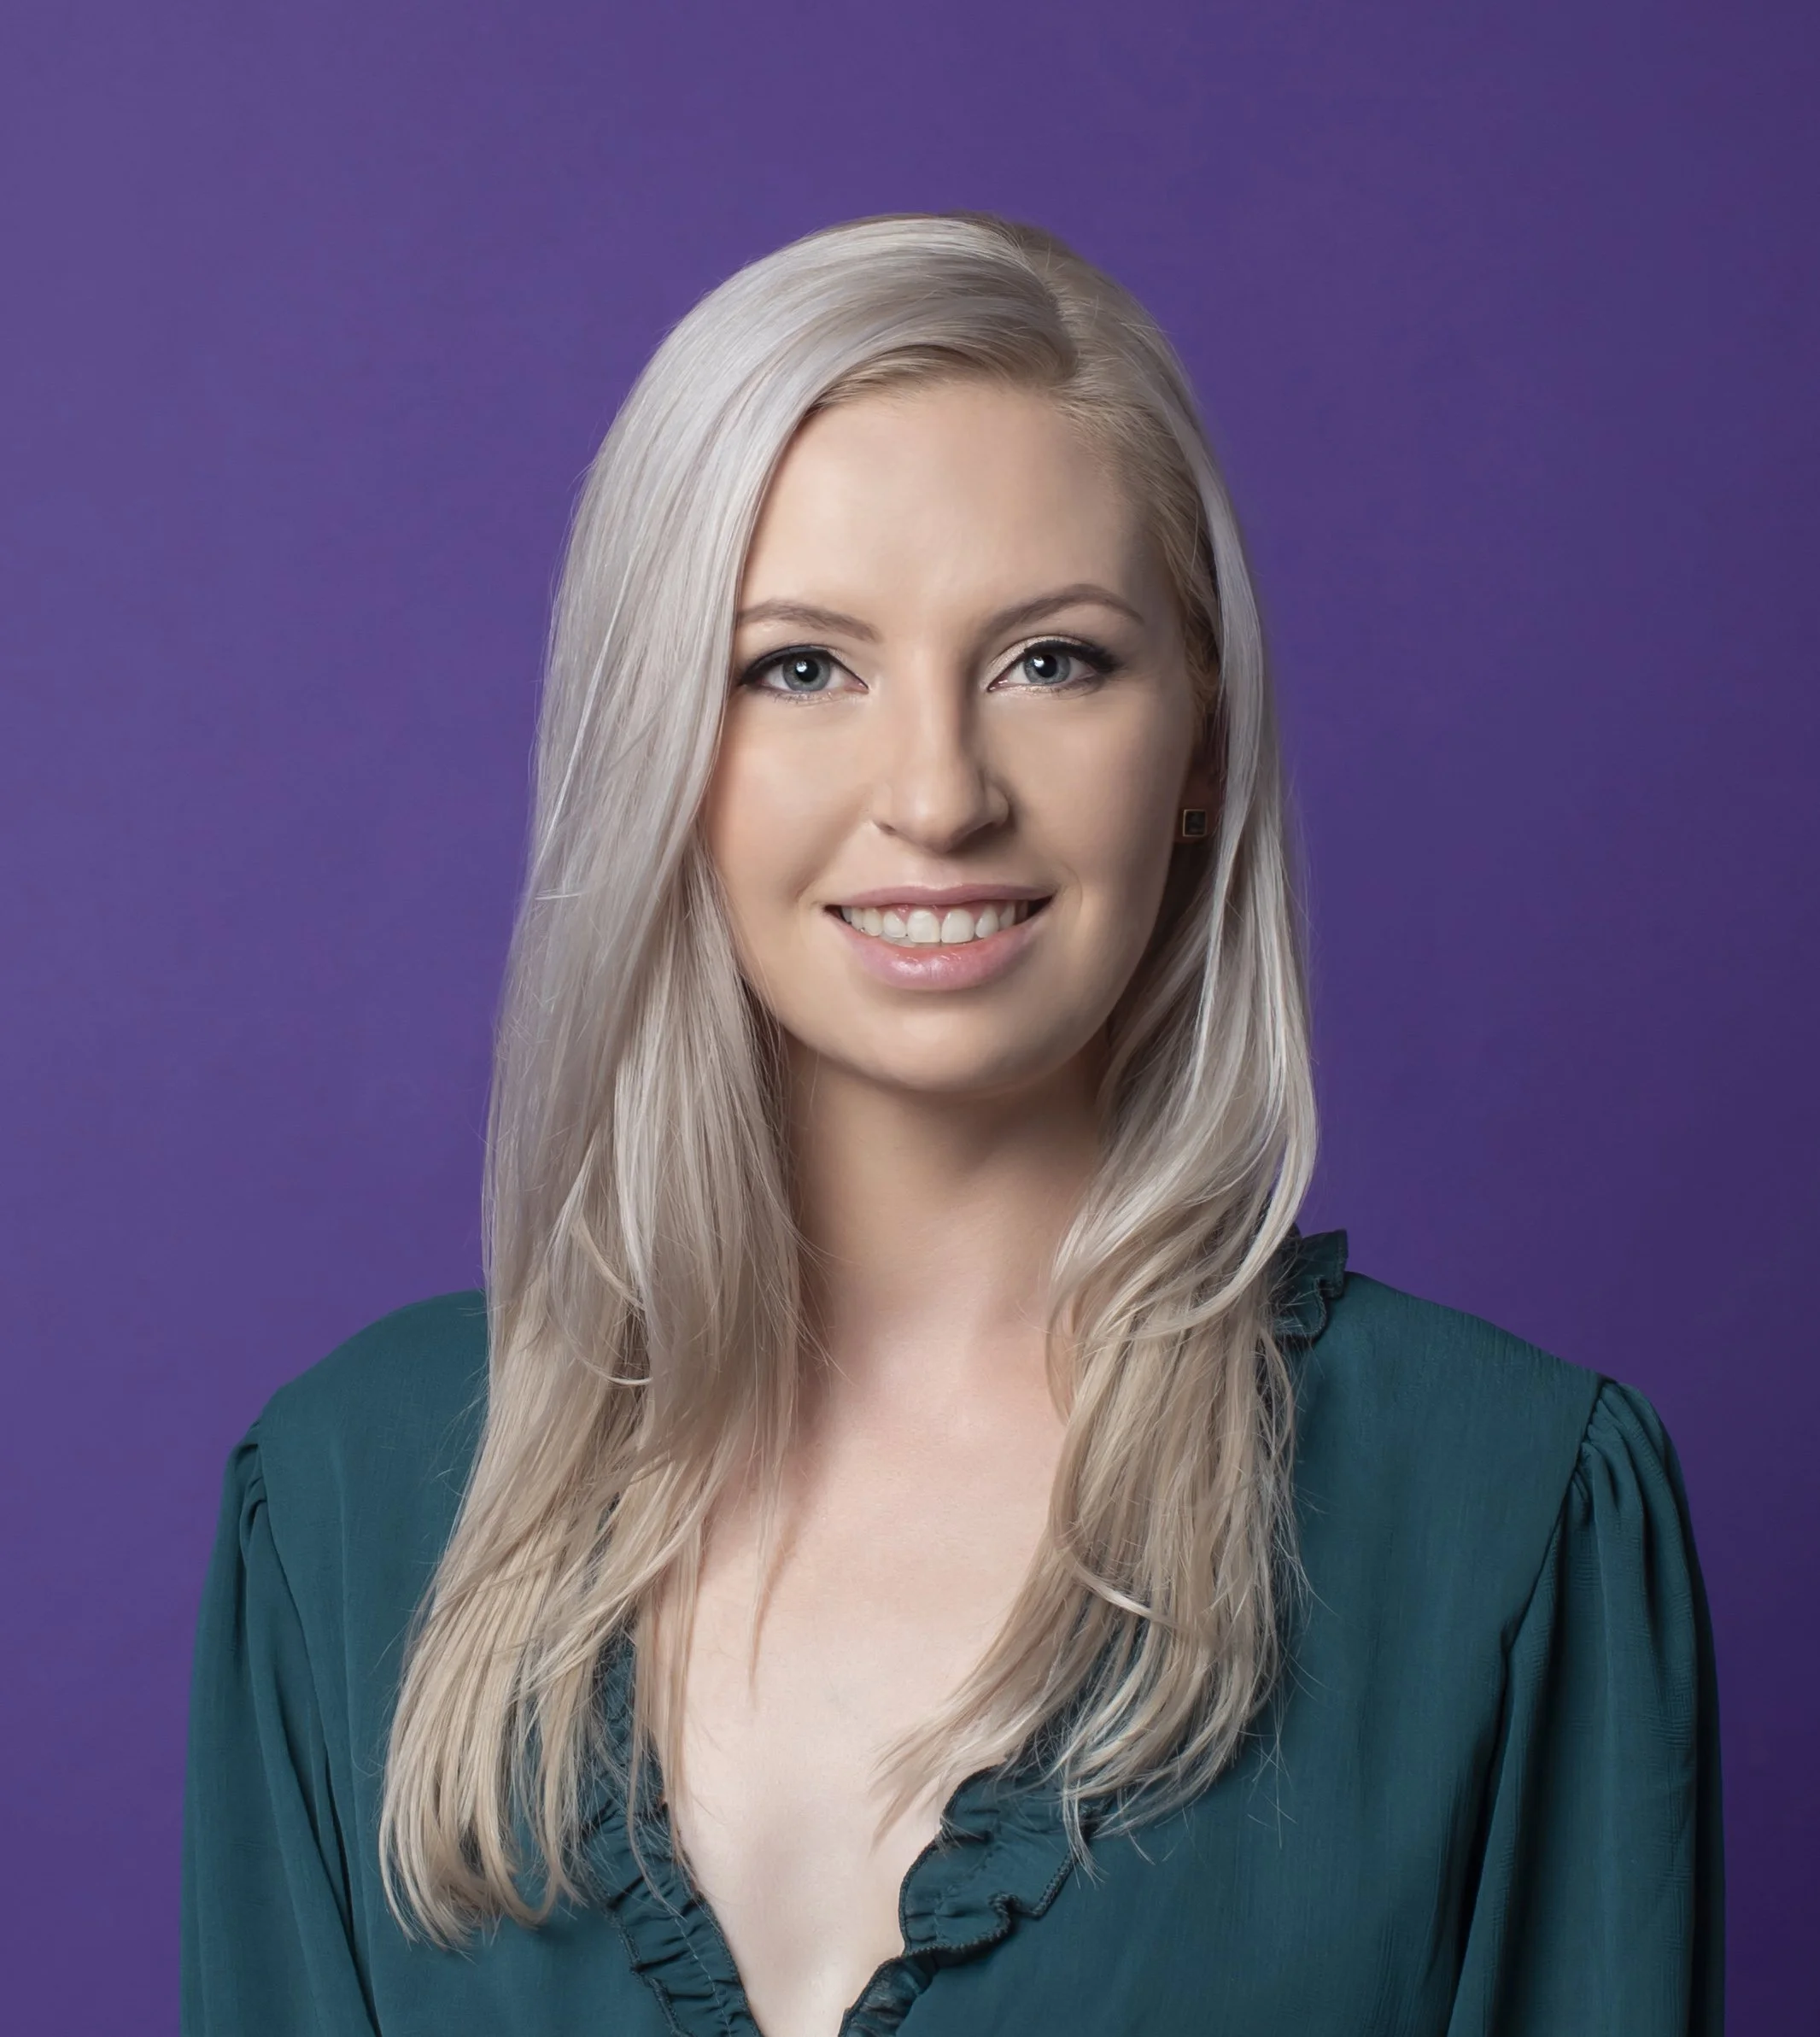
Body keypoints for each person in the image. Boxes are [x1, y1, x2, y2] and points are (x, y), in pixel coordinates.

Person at [181, 214, 1723, 2037]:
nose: (937, 794)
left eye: (1052, 661)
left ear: (1202, 741)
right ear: (660, 740)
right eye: (801, 667)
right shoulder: (353, 1511)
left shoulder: (1506, 1522)